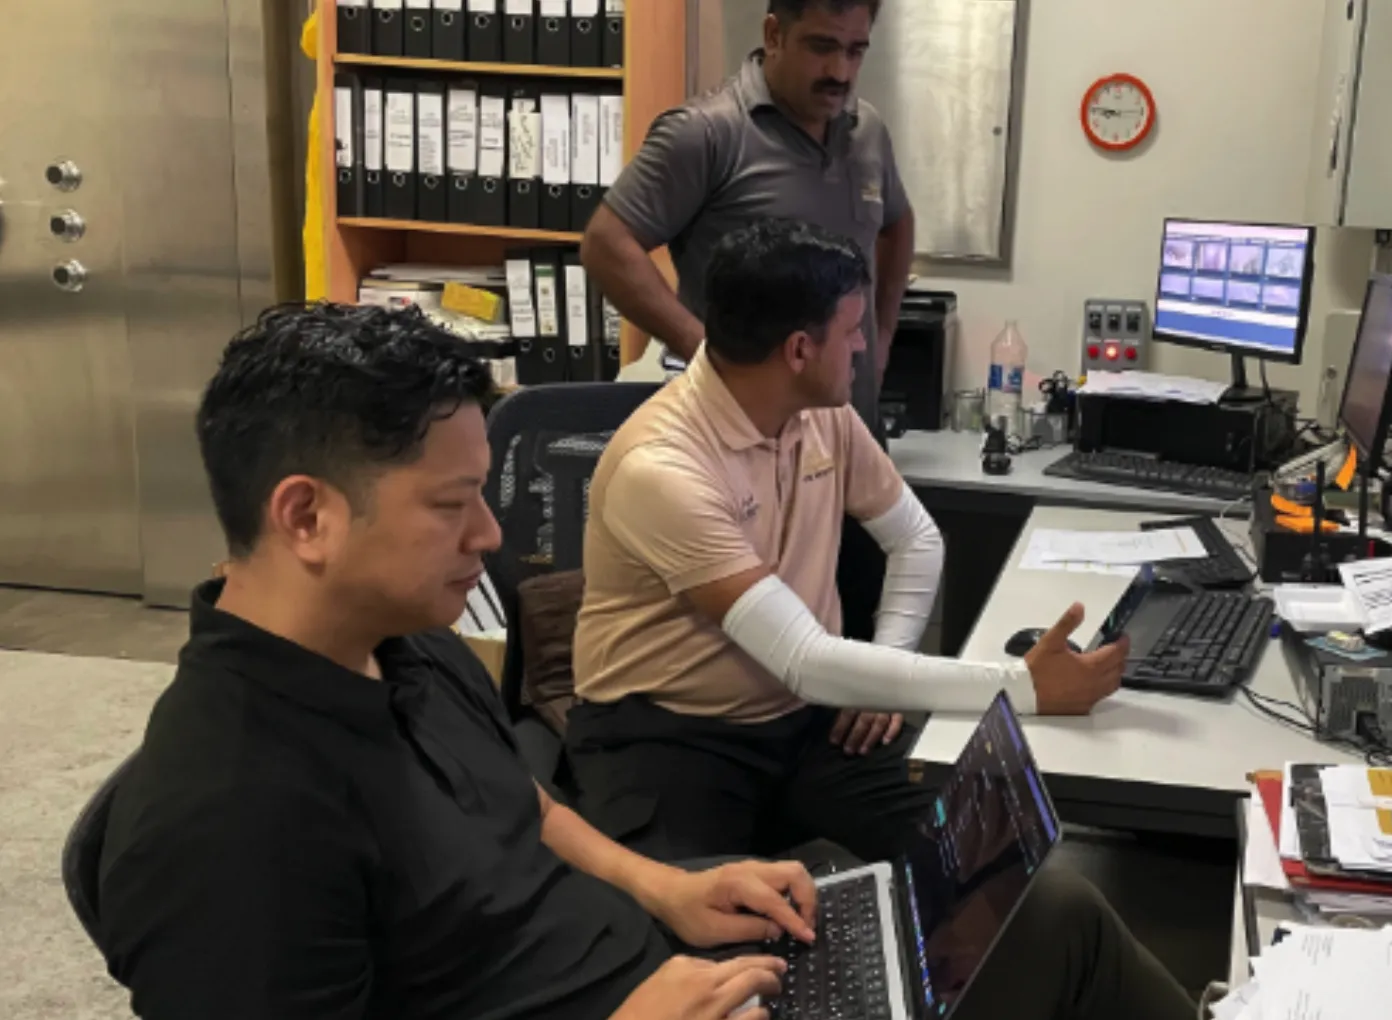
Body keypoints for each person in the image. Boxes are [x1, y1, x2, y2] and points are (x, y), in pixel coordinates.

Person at [93, 303, 1195, 1020]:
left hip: (666, 968)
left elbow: (517, 802)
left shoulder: (400, 648)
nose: (491, 537)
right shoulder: (225, 824)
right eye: (451, 505)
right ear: (306, 516)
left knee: (1044, 915)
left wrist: (667, 885)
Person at [569, 219, 1127, 867]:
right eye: (853, 329)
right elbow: (803, 657)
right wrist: (1022, 687)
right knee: (703, 946)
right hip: (671, 735)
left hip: (805, 720)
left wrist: (879, 679)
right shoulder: (663, 467)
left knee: (990, 860)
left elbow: (916, 539)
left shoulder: (822, 416)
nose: (864, 345)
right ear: (800, 350)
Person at [580, 0, 912, 644]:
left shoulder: (866, 131)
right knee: (767, 652)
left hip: (846, 435)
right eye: (821, 46)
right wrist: (696, 342)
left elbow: (897, 224)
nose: (840, 71)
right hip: (749, 457)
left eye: (856, 50)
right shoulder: (705, 133)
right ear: (772, 34)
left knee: (861, 632)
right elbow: (605, 243)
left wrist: (883, 330)